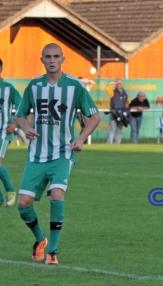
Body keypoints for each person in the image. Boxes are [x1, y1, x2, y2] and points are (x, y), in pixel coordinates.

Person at [15, 43, 100, 265]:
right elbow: (21, 115)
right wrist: (25, 128)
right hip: (36, 154)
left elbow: (94, 117)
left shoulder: (75, 87)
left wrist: (80, 138)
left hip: (63, 152)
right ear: (42, 60)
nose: (52, 60)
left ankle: (53, 250)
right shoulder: (34, 86)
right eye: (47, 57)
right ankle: (40, 240)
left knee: (57, 194)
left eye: (56, 57)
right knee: (23, 203)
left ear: (63, 59)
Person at [0, 58, 21, 208]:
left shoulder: (9, 88)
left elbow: (22, 107)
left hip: (3, 130)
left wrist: (14, 123)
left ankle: (10, 191)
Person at [107, 79, 128, 144]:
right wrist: (114, 82)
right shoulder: (113, 91)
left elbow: (126, 103)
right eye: (118, 83)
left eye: (120, 83)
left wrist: (126, 112)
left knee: (119, 130)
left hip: (121, 114)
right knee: (112, 130)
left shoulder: (124, 92)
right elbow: (108, 87)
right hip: (114, 113)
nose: (119, 85)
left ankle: (117, 144)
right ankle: (109, 145)